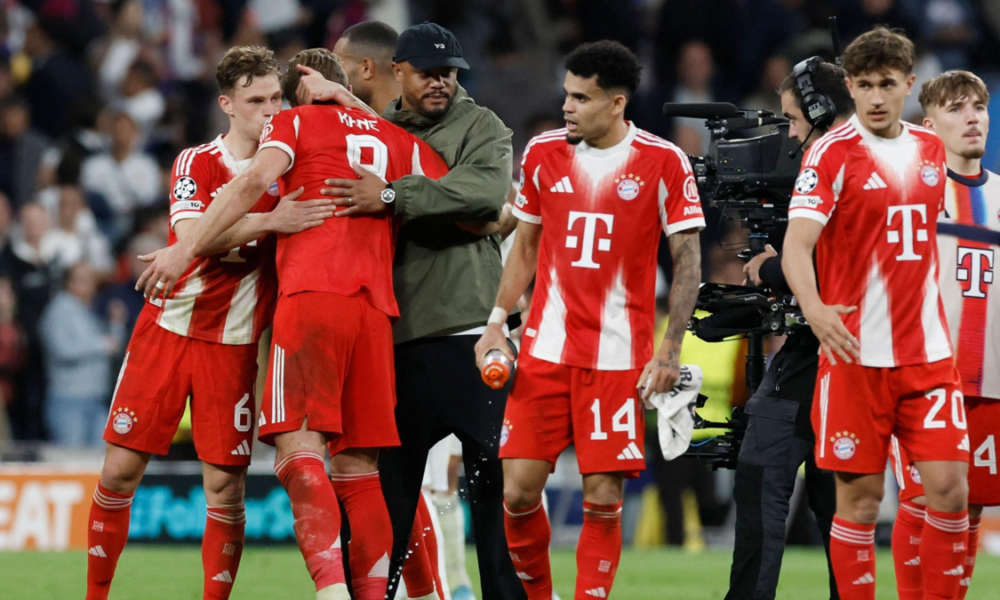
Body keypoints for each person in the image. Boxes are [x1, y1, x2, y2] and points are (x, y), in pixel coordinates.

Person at [138, 48, 449, 600]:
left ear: (301, 89)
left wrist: (184, 249)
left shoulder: (295, 124)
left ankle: (331, 592)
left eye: (279, 96)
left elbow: (251, 181)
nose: (272, 108)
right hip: (377, 312)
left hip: (312, 300)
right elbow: (449, 189)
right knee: (362, 472)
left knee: (298, 456)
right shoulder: (394, 138)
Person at [84, 45, 334, 600]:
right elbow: (192, 238)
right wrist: (271, 221)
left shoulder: (292, 164)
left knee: (225, 489)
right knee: (119, 473)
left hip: (235, 343)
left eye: (275, 98)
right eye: (256, 100)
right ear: (227, 104)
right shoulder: (196, 162)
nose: (270, 110)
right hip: (168, 329)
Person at [300, 22, 525, 599]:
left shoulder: (482, 125)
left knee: (490, 490)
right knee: (389, 493)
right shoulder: (379, 130)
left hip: (470, 331)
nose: (440, 83)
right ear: (397, 71)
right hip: (395, 337)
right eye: (427, 73)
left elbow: (485, 195)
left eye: (448, 73)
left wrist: (394, 195)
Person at [475, 40, 705, 598]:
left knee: (603, 497)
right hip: (545, 351)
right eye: (567, 94)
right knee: (517, 494)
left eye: (581, 97)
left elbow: (688, 261)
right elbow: (525, 246)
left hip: (617, 359)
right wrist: (496, 320)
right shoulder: (542, 152)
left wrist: (670, 349)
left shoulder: (663, 161)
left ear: (616, 103)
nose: (567, 106)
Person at [782, 27, 969, 600]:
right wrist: (814, 309)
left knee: (950, 493)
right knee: (860, 503)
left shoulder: (931, 149)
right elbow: (796, 247)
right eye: (864, 86)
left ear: (909, 84)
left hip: (927, 356)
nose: (876, 97)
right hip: (856, 357)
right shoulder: (831, 152)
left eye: (887, 84)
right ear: (850, 87)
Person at [726, 59, 855, 600]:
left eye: (793, 119)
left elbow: (830, 261)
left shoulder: (833, 155)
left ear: (819, 110)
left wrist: (772, 267)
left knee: (762, 471)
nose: (791, 134)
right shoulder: (886, 153)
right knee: (842, 497)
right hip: (858, 349)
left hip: (827, 346)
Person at [890, 70, 1000, 600]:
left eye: (978, 106)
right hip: (924, 379)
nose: (972, 117)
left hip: (990, 379)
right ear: (929, 126)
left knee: (968, 506)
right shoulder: (912, 194)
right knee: (921, 502)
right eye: (956, 108)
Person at [38, 262, 126, 447]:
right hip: (69, 401)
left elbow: (113, 347)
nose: (90, 285)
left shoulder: (87, 311)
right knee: (72, 458)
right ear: (69, 283)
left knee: (100, 458)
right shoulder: (59, 310)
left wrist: (116, 324)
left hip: (96, 397)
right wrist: (101, 344)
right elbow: (63, 350)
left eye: (91, 280)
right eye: (83, 280)